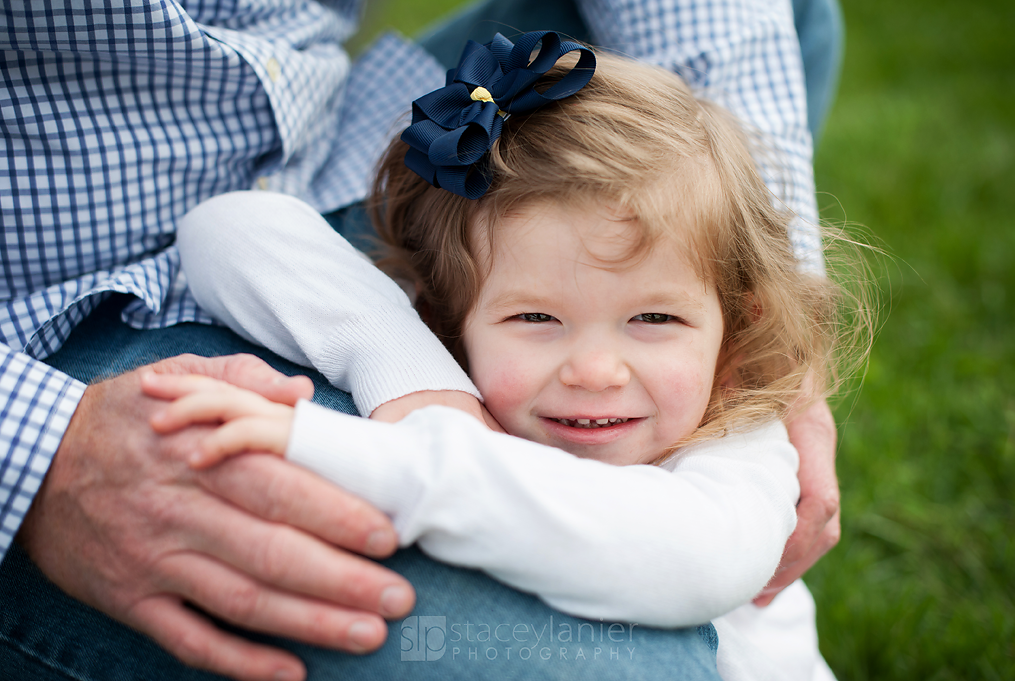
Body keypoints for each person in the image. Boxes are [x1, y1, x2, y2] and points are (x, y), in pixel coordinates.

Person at [0, 1, 842, 679]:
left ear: (741, 327)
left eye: (656, 318)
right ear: (445, 316)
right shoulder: (455, 338)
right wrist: (411, 379)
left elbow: (690, 561)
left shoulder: (738, 434)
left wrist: (375, 451)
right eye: (535, 319)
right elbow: (227, 228)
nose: (593, 368)